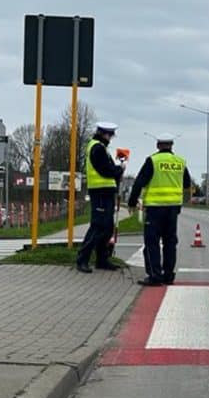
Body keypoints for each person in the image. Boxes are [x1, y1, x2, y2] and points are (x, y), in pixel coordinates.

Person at [127, 133, 192, 286]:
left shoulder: (152, 161)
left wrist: (131, 202)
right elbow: (187, 184)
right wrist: (182, 201)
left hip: (155, 208)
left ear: (158, 145)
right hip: (173, 209)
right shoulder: (180, 162)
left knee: (152, 242)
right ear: (172, 145)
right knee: (170, 242)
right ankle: (168, 275)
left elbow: (139, 183)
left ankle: (155, 276)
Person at [76, 122, 125, 273]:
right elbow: (105, 169)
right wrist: (119, 169)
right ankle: (82, 259)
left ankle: (102, 259)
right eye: (109, 135)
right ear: (104, 134)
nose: (110, 138)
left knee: (107, 227)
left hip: (106, 191)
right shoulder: (97, 147)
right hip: (100, 192)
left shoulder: (101, 148)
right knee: (98, 226)